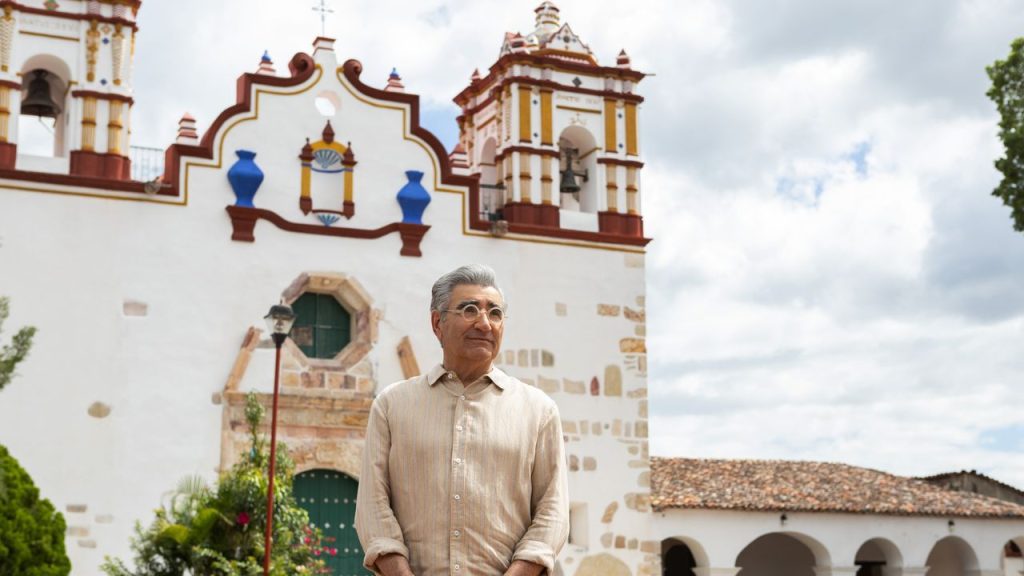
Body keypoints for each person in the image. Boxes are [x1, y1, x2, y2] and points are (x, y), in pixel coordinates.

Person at [355, 264, 569, 576]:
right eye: (469, 309)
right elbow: (373, 507)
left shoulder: (539, 410)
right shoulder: (391, 405)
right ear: (437, 323)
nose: (485, 323)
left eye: (495, 313)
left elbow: (553, 512)